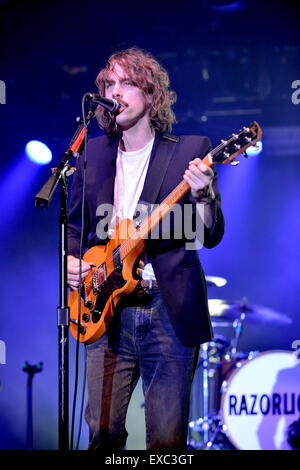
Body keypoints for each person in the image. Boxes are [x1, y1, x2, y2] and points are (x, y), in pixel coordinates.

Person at [67, 47, 224, 450]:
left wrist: (205, 195)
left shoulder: (188, 149)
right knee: (101, 435)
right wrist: (70, 260)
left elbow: (211, 234)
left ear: (150, 93)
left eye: (127, 83)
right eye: (109, 84)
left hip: (166, 309)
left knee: (167, 441)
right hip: (104, 306)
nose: (115, 91)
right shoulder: (92, 153)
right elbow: (74, 225)